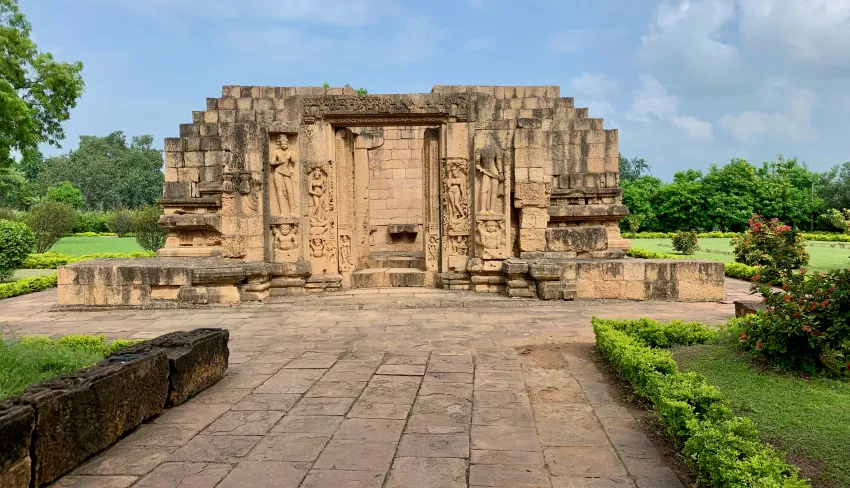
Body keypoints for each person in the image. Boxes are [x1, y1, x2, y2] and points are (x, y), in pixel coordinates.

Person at [271, 134, 297, 216]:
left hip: (286, 172)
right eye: (282, 144)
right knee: (279, 191)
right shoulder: (276, 152)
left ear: (287, 144)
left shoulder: (291, 152)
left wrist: (292, 170)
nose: (283, 145)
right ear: (280, 144)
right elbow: (271, 162)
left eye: (285, 144)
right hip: (278, 171)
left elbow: (292, 164)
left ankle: (292, 212)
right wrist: (279, 162)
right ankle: (282, 212)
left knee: (290, 191)